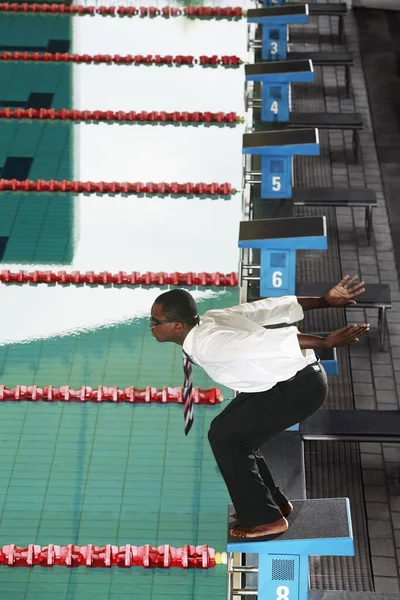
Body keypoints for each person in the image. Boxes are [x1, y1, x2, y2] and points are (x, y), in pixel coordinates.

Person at [150, 275, 369, 539]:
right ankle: (274, 504)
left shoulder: (209, 343)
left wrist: (324, 342)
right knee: (228, 433)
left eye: (155, 322)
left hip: (298, 387)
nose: (151, 326)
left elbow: (266, 343)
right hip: (287, 380)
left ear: (176, 326)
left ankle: (268, 518)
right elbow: (263, 309)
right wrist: (323, 301)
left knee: (225, 437)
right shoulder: (210, 319)